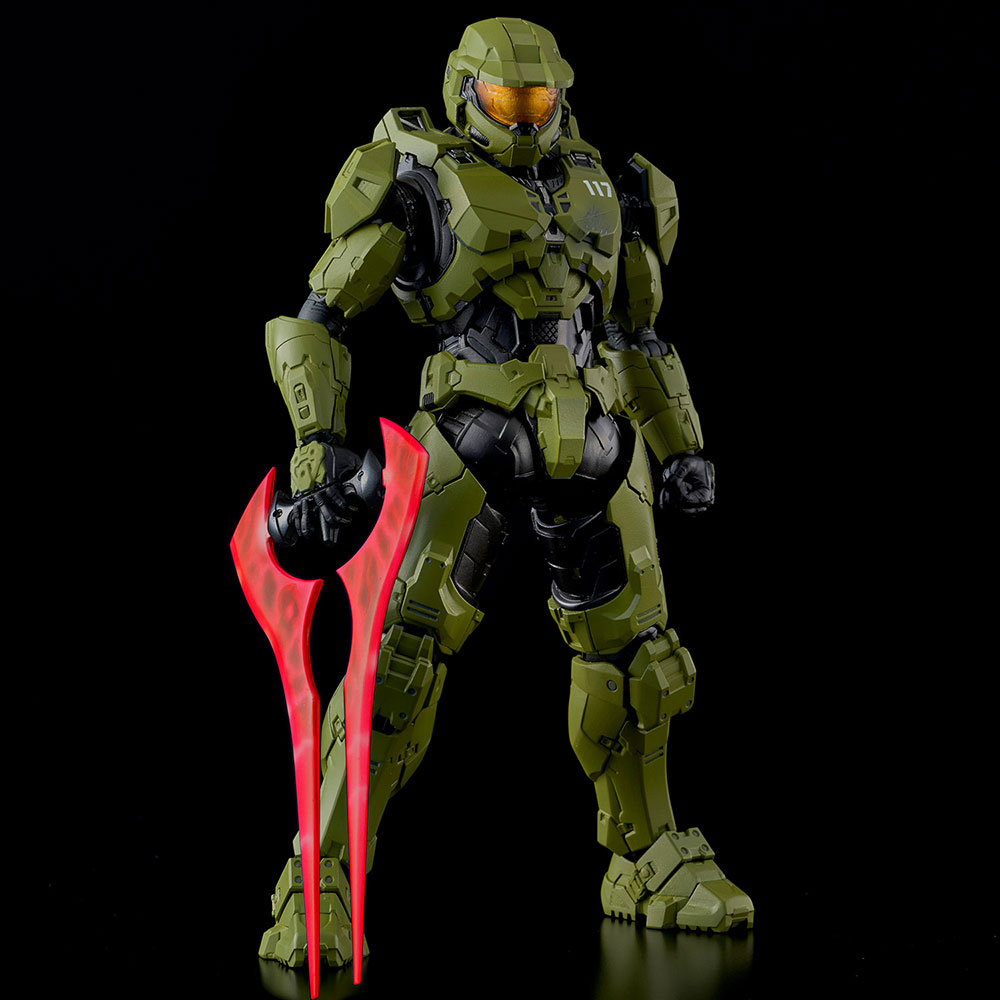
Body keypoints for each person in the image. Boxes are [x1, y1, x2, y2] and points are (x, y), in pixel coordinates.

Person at [258, 16, 753, 970]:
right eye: (504, 98)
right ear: (464, 91)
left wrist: (679, 446)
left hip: (599, 436)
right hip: (468, 436)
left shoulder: (611, 189)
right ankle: (320, 879)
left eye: (538, 98)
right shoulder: (417, 178)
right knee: (393, 665)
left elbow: (639, 335)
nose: (524, 117)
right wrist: (317, 446)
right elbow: (317, 318)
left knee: (644, 664)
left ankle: (647, 861)